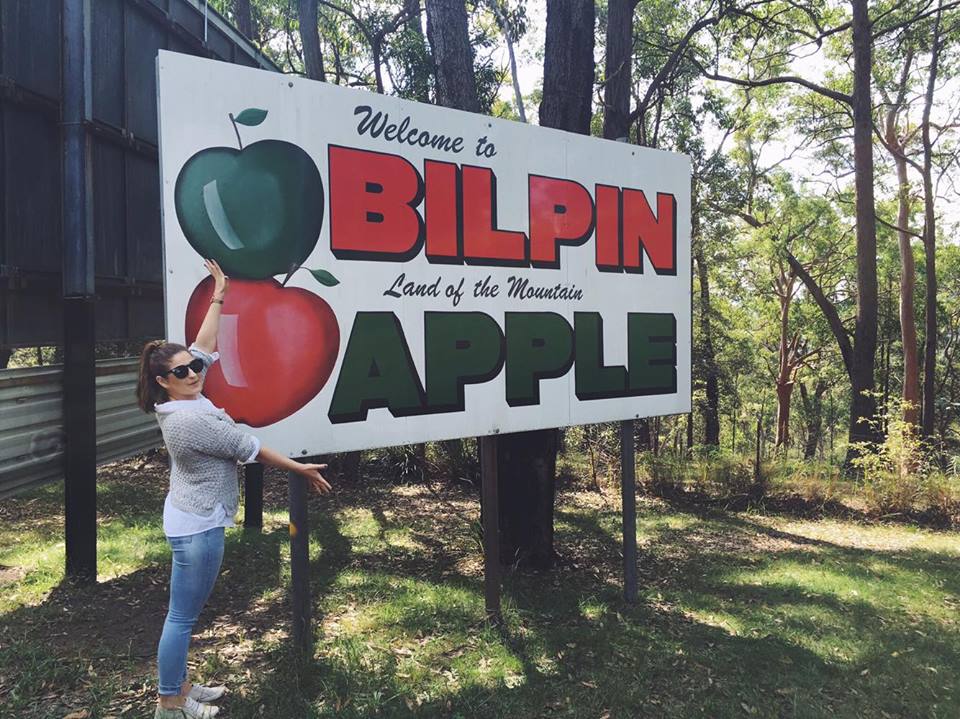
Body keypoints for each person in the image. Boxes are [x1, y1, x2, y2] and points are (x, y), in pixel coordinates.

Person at [137, 259, 332, 719]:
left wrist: (220, 292)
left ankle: (182, 685)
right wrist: (300, 470)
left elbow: (204, 345)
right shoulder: (193, 420)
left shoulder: (181, 398)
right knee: (182, 616)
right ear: (164, 383)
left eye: (191, 367)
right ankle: (170, 702)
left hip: (192, 514)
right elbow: (252, 447)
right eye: (182, 372)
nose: (193, 373)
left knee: (185, 613)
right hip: (198, 525)